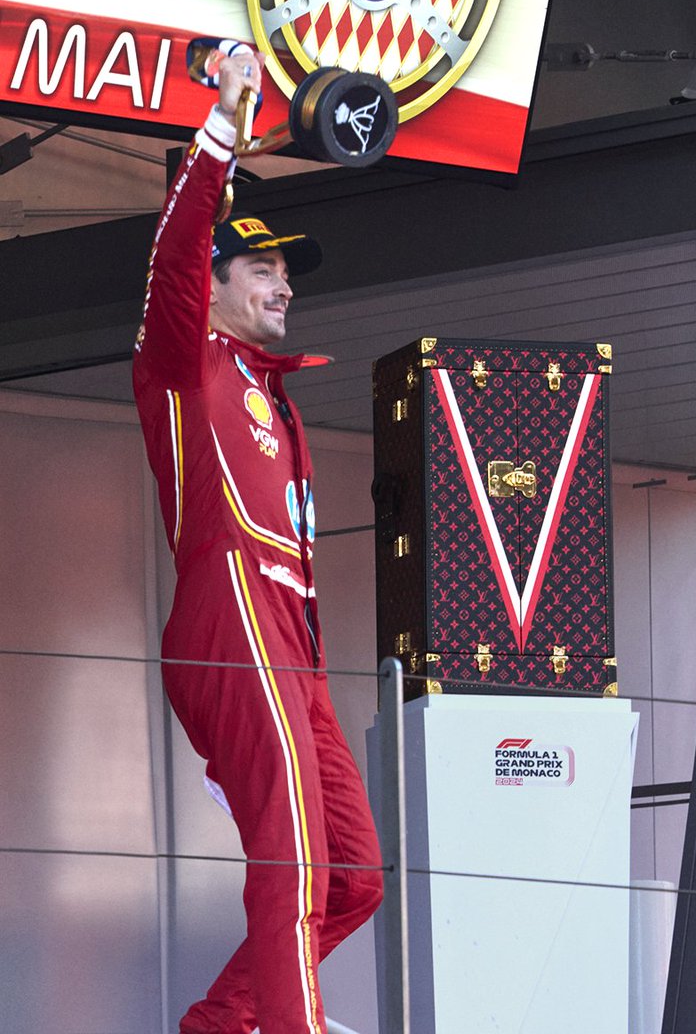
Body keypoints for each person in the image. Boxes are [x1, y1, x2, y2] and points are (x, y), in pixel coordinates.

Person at [133, 50, 382, 1034]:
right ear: (218, 281)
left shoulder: (268, 382)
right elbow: (176, 251)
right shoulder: (182, 353)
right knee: (296, 856)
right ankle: (294, 1025)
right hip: (230, 608)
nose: (285, 285)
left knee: (355, 873)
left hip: (293, 637)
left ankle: (222, 1026)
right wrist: (223, 127)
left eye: (286, 269)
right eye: (265, 267)